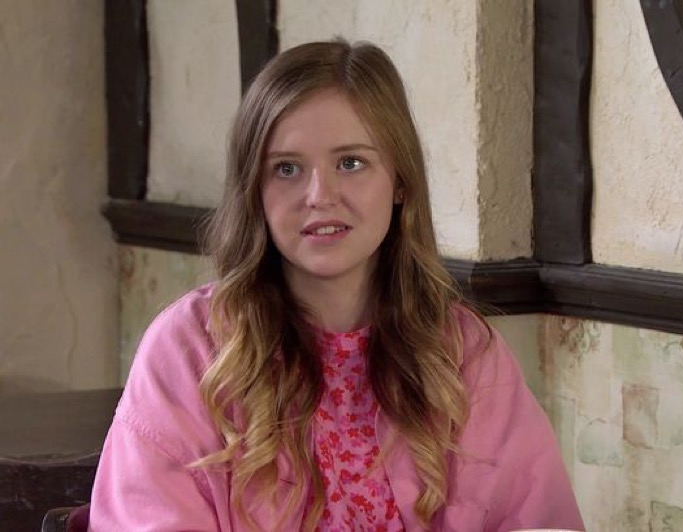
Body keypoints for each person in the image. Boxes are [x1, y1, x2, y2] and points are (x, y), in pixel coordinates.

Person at [88, 40, 584, 531]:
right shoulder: (190, 349)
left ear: (400, 181)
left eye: (351, 163)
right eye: (286, 169)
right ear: (254, 191)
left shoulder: (465, 353)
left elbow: (540, 521)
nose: (320, 196)